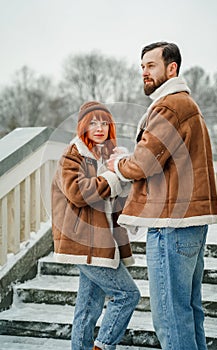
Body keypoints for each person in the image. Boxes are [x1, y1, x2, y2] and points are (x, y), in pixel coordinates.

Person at [107, 42, 217, 350]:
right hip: (189, 224)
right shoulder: (186, 105)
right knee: (188, 312)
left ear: (172, 69)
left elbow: (144, 163)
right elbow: (163, 158)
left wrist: (118, 162)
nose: (144, 71)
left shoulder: (169, 106)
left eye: (151, 65)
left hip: (171, 224)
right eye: (142, 65)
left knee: (170, 318)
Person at [51, 101, 140, 350]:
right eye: (93, 122)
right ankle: (102, 346)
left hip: (101, 242)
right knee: (127, 295)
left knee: (87, 309)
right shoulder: (73, 155)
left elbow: (112, 202)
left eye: (104, 122)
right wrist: (112, 177)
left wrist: (121, 173)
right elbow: (78, 192)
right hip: (84, 242)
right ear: (83, 126)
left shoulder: (106, 156)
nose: (99, 127)